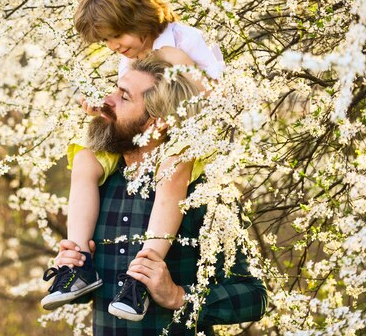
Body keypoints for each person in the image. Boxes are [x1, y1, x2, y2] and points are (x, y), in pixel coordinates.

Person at [41, 0, 225, 322]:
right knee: (85, 160)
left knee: (173, 171)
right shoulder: (129, 61)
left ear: (138, 14)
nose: (113, 47)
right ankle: (78, 261)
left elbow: (211, 100)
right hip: (143, 141)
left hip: (183, 139)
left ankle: (144, 271)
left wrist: (174, 68)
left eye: (116, 36)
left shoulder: (183, 42)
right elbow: (129, 109)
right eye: (105, 42)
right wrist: (105, 110)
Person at [49, 57, 267, 335]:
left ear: (156, 122)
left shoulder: (203, 193)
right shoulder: (96, 186)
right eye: (116, 89)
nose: (107, 101)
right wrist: (75, 266)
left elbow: (254, 296)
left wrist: (178, 296)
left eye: (123, 97)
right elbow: (97, 293)